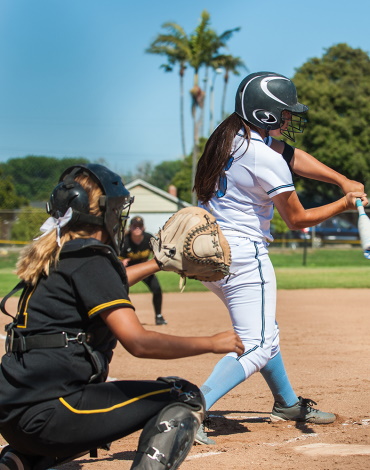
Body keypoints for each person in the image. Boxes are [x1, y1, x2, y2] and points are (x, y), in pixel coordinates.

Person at [0, 163, 244, 470]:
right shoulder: (90, 259)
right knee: (184, 395)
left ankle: (20, 460)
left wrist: (158, 262)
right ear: (101, 213)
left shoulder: (60, 254)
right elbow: (138, 342)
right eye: (116, 209)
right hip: (53, 414)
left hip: (14, 415)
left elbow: (105, 283)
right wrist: (212, 342)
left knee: (80, 412)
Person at [192, 71, 368, 445]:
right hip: (242, 256)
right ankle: (191, 409)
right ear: (265, 115)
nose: (289, 119)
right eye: (284, 113)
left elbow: (291, 155)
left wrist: (340, 179)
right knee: (257, 344)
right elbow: (298, 220)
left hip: (209, 255)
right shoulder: (261, 156)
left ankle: (286, 403)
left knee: (263, 331)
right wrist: (344, 202)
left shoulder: (228, 139)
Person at [121, 216, 167, 325]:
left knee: (156, 289)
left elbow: (159, 251)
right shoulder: (124, 241)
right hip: (129, 270)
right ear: (130, 228)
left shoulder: (148, 238)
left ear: (144, 227)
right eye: (134, 226)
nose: (137, 228)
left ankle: (159, 316)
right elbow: (116, 258)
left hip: (143, 268)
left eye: (139, 226)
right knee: (121, 293)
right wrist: (121, 262)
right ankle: (124, 320)